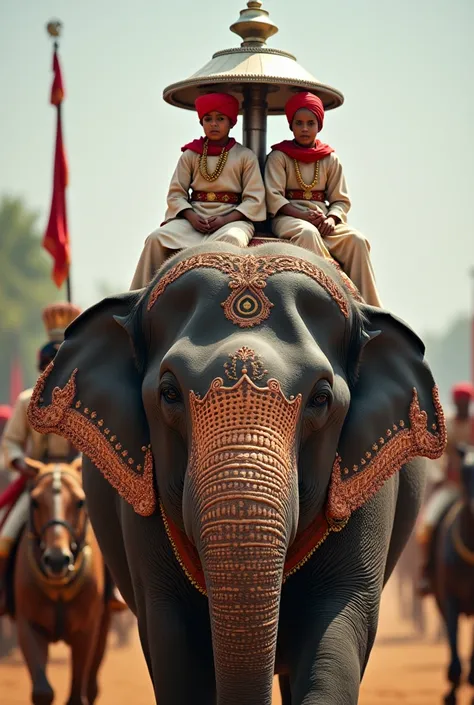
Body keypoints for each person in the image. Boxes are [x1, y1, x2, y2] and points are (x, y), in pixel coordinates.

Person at [0, 303, 126, 614]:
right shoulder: (25, 401)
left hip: (79, 482)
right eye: (49, 366)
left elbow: (99, 442)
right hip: (37, 482)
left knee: (111, 534)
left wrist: (82, 464)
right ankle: (4, 596)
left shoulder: (86, 399)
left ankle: (112, 591)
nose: (54, 372)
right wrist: (21, 464)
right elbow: (12, 443)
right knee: (4, 539)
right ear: (41, 367)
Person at [130, 92, 266, 289]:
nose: (214, 124)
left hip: (232, 221)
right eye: (208, 119)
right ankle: (138, 298)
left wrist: (225, 220)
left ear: (231, 123)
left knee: (232, 239)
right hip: (194, 220)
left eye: (220, 119)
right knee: (156, 238)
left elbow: (254, 200)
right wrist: (192, 216)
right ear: (201, 123)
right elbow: (176, 194)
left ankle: (215, 293)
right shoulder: (191, 154)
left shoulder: (245, 156)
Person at [264, 91, 382, 307]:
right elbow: (273, 197)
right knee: (307, 233)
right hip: (289, 218)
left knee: (357, 240)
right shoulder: (279, 156)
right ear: (291, 126)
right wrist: (302, 214)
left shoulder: (330, 158)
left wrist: (332, 219)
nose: (305, 128)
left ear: (319, 126)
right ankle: (334, 295)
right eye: (299, 123)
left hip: (324, 221)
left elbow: (340, 200)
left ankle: (371, 309)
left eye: (310, 123)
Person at [417, 381, 474, 595]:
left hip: (473, 491)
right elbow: (435, 455)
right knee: (427, 525)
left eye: (466, 402)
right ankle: (427, 570)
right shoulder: (445, 425)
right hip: (451, 487)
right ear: (454, 402)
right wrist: (440, 476)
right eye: (460, 402)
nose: (463, 406)